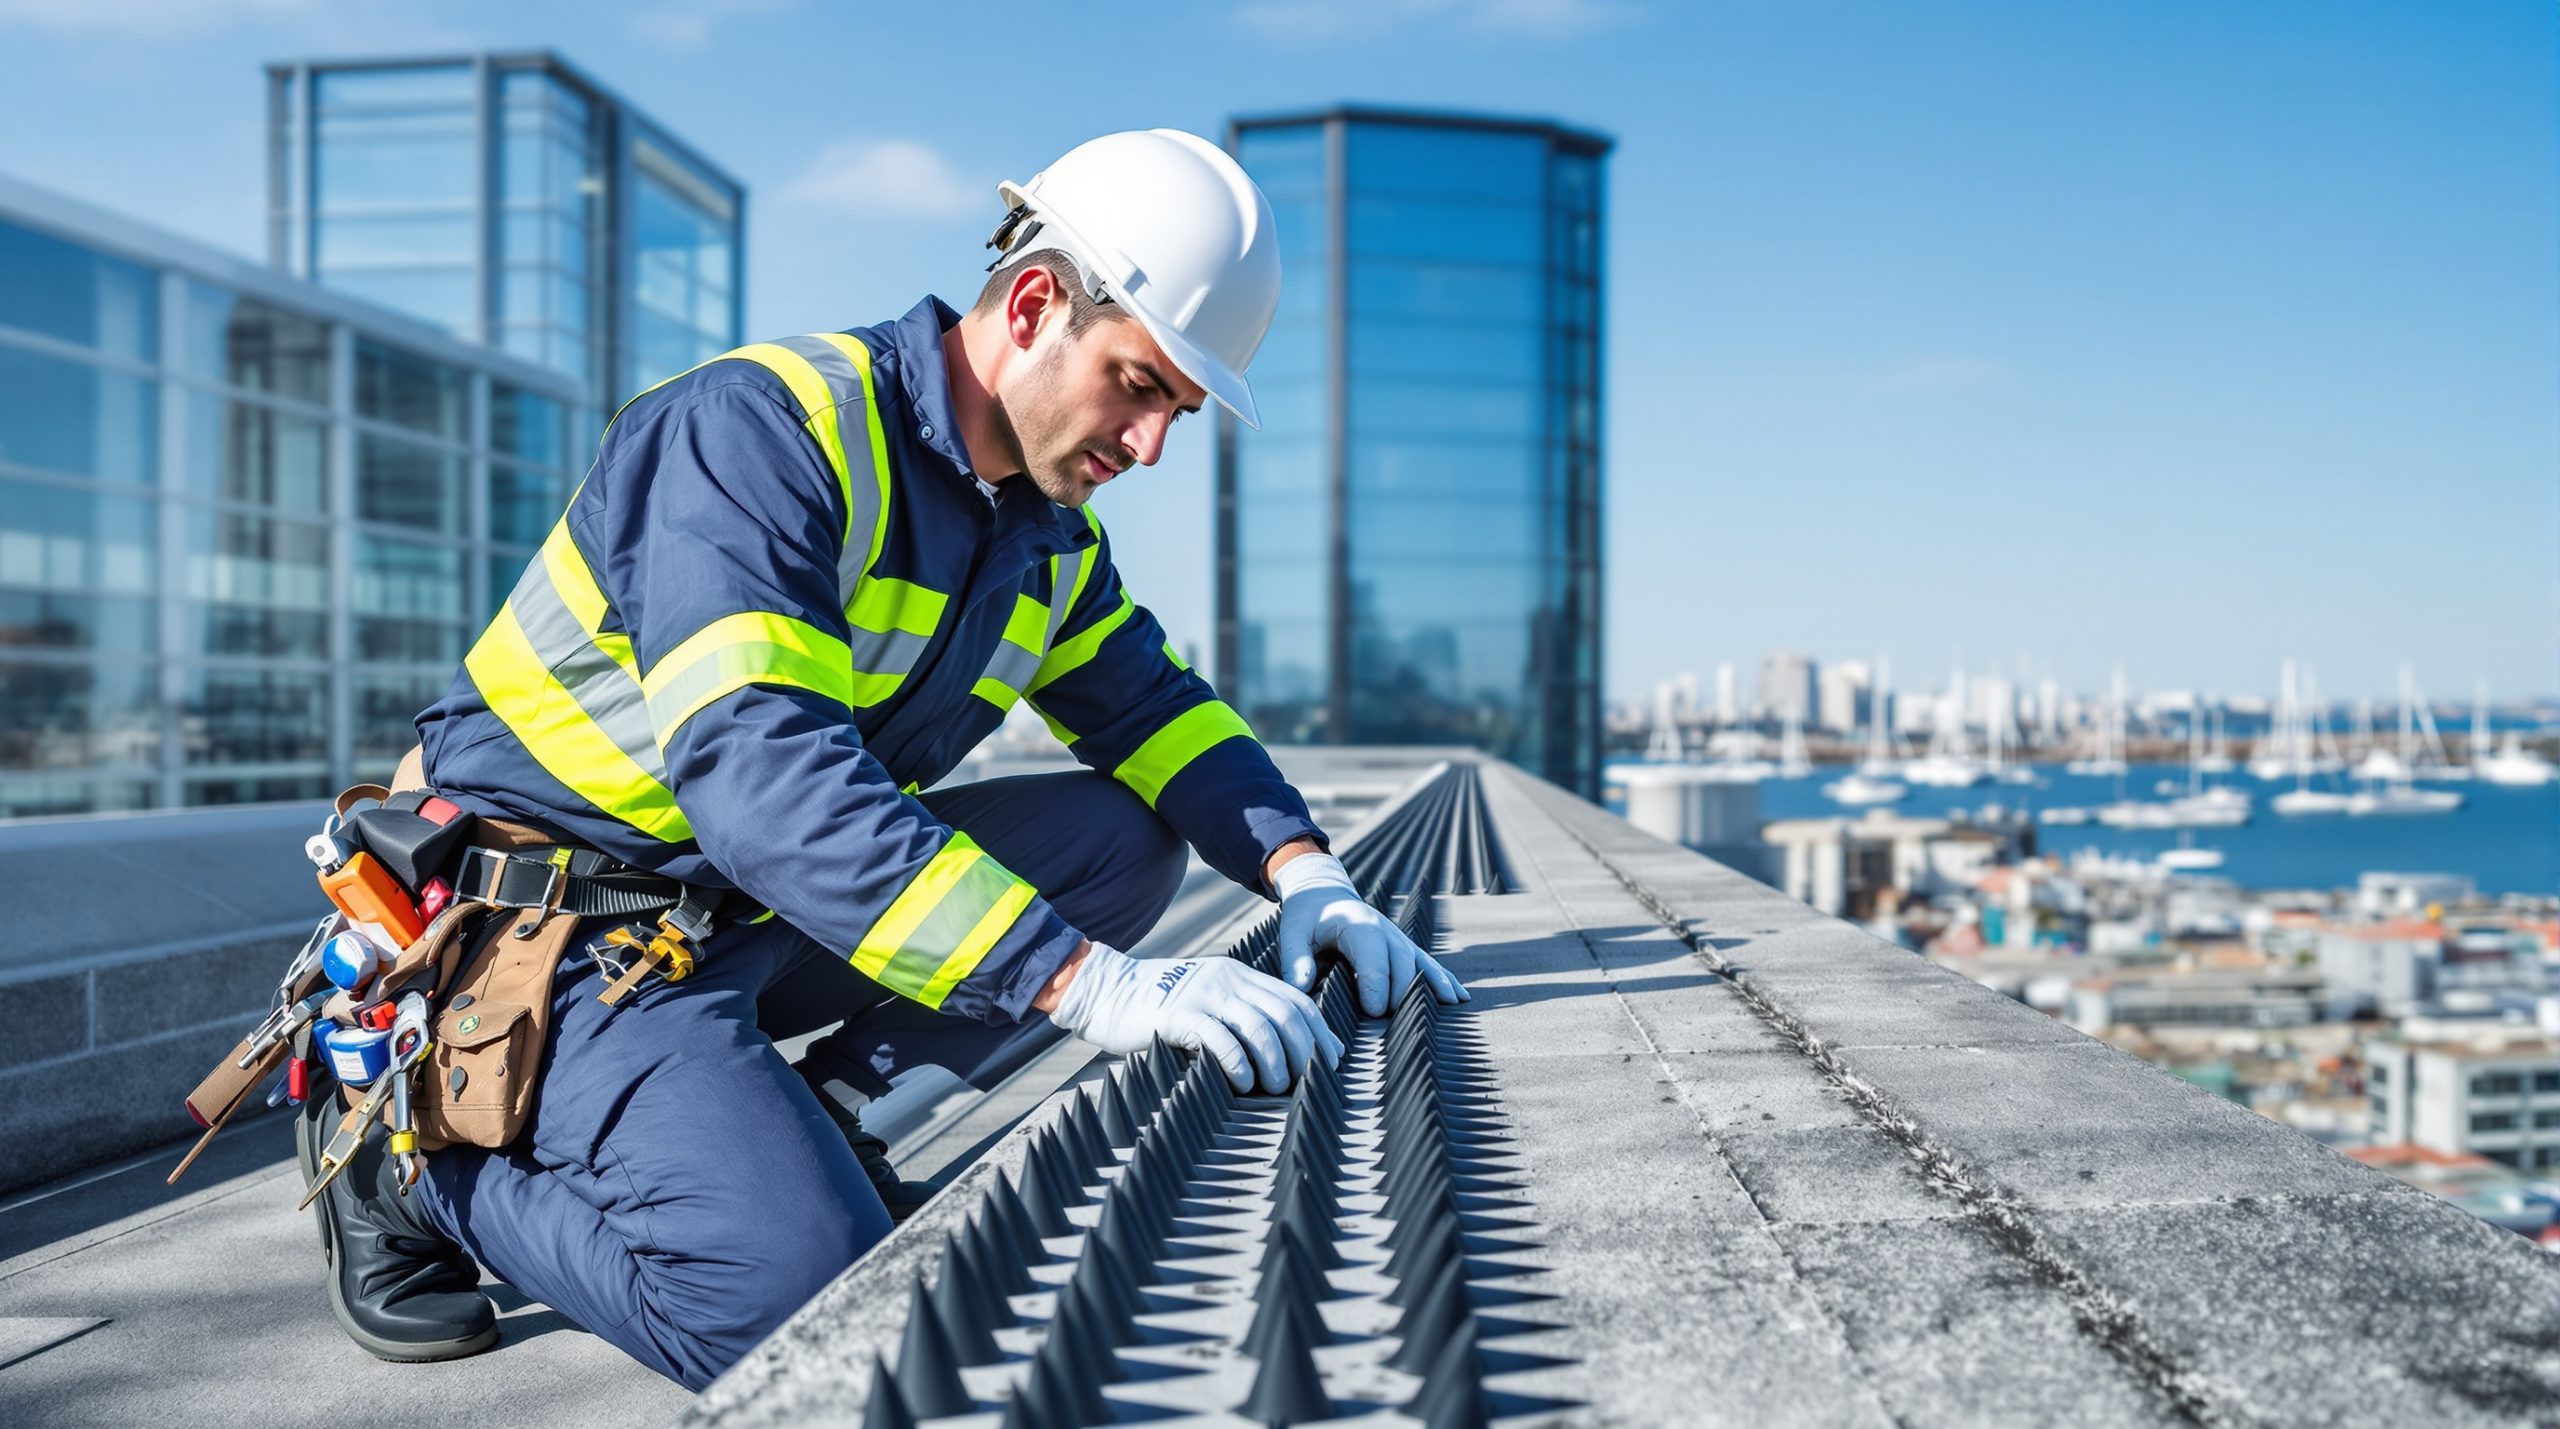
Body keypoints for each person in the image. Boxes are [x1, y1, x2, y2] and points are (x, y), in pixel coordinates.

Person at [307, 129, 1466, 1390]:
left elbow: (1157, 714)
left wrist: (1310, 880)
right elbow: (762, 776)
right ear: (1033, 305)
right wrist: (1086, 985)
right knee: (799, 1307)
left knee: (1125, 836)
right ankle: (415, 1162)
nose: (1149, 449)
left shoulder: (1040, 534)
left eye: (1176, 412)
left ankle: (838, 1126)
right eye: (1139, 387)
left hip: (744, 911)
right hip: (561, 937)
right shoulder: (759, 434)